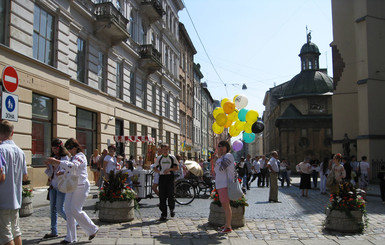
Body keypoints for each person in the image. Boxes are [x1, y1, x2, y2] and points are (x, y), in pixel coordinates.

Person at [46, 138, 98, 244]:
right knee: (68, 210)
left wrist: (58, 162)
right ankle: (70, 237)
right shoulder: (73, 157)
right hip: (72, 185)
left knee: (76, 210)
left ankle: (92, 228)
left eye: (70, 148)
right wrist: (61, 172)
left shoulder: (80, 156)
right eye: (68, 148)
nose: (69, 150)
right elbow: (69, 168)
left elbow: (73, 166)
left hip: (81, 185)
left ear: (75, 147)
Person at [0, 120, 28, 245]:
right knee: (16, 230)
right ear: (12, 132)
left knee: (5, 233)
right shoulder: (20, 151)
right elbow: (25, 177)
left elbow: (2, 176)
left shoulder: (1, 150)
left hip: (3, 198)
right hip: (16, 198)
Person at [43, 139, 70, 239]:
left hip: (61, 186)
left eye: (55, 148)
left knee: (59, 208)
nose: (54, 151)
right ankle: (54, 231)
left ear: (59, 148)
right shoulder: (53, 158)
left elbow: (68, 170)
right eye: (52, 149)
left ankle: (73, 223)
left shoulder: (65, 158)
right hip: (53, 186)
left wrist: (60, 172)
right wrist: (48, 167)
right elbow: (50, 174)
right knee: (52, 210)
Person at [212, 140, 235, 233]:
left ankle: (229, 226)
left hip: (225, 184)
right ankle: (227, 224)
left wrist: (218, 158)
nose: (220, 148)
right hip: (220, 184)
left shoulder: (228, 156)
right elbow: (216, 169)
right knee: (225, 205)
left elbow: (221, 168)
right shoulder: (222, 157)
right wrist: (216, 158)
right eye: (219, 146)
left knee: (226, 205)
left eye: (223, 146)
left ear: (227, 147)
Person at [153, 143, 179, 221]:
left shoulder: (172, 157)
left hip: (170, 177)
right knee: (162, 195)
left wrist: (170, 169)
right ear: (161, 150)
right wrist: (159, 171)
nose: (165, 151)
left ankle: (171, 209)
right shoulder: (159, 158)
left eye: (166, 149)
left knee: (171, 195)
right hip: (162, 178)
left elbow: (177, 167)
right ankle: (163, 213)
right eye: (163, 149)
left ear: (168, 149)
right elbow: (154, 168)